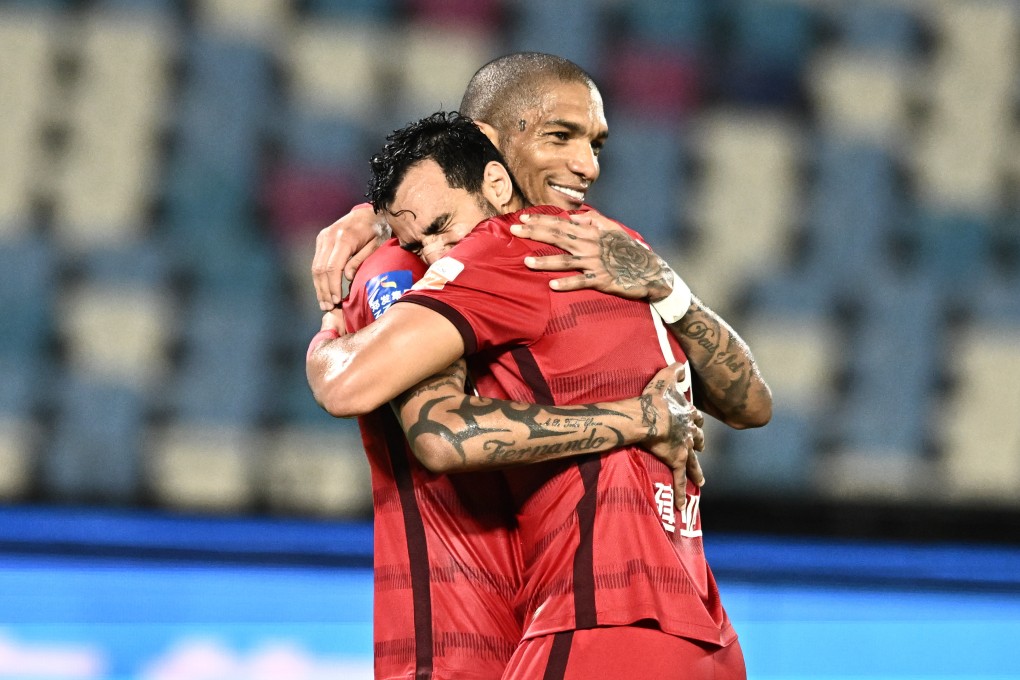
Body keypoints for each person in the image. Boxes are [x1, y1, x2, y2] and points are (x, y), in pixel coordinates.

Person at [308, 110, 769, 678]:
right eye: (561, 137)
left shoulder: (501, 256)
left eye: (596, 143)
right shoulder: (610, 249)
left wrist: (330, 324)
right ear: (496, 148)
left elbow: (418, 422)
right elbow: (752, 406)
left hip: (562, 623)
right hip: (698, 626)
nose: (586, 164)